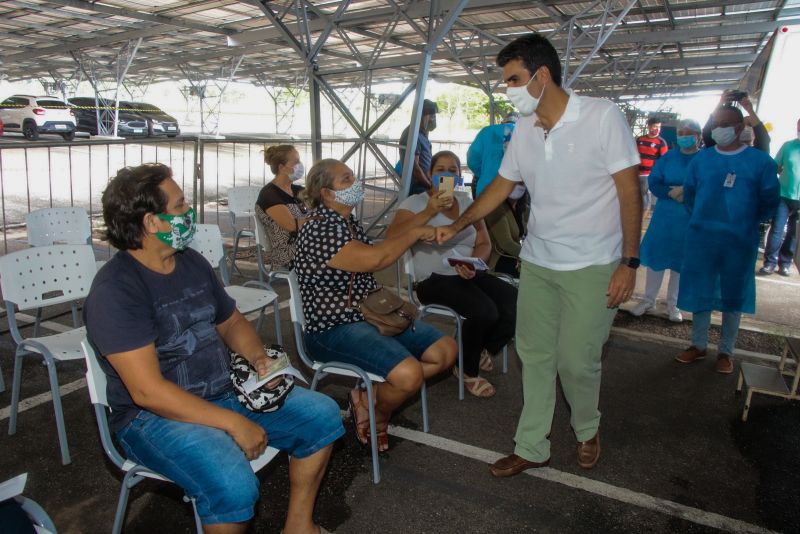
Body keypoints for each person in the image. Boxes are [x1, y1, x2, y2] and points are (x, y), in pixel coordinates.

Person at [84, 163, 344, 534]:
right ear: (151, 223)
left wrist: (258, 360)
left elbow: (231, 321)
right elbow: (147, 392)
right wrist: (234, 422)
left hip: (222, 392)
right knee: (233, 484)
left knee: (322, 415)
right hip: (152, 418)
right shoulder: (116, 291)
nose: (189, 210)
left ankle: (299, 527)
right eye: (180, 205)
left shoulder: (190, 262)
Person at [436, 33, 642, 475]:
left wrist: (630, 262)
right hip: (540, 263)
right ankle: (532, 446)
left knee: (576, 360)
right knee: (534, 355)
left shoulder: (602, 117)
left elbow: (629, 190)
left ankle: (587, 428)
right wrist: (457, 223)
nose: (507, 89)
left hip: (593, 264)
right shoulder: (525, 130)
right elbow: (500, 187)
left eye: (513, 79)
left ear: (542, 76)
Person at [294, 159, 457, 452]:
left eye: (353, 176)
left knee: (445, 352)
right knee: (409, 375)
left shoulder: (346, 221)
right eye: (346, 180)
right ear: (328, 194)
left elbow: (388, 243)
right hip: (334, 326)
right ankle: (378, 414)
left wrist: (429, 211)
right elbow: (375, 259)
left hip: (371, 313)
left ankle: (369, 396)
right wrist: (417, 232)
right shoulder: (318, 228)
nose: (355, 183)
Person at [387, 151, 518, 398]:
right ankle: (467, 370)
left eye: (453, 170)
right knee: (484, 311)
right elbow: (391, 237)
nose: (447, 174)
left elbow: (484, 243)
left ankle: (481, 347)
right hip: (431, 279)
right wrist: (428, 211)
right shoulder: (413, 203)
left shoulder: (468, 203)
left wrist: (474, 263)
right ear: (429, 175)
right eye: (440, 170)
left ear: (459, 176)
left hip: (468, 273)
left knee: (514, 301)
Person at [675, 105, 779, 374]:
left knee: (733, 294)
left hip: (739, 241)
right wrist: (704, 219)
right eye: (716, 123)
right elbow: (690, 196)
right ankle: (698, 344)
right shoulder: (702, 159)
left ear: (740, 127)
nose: (719, 128)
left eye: (726, 123)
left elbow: (769, 201)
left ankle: (726, 350)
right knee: (701, 292)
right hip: (702, 238)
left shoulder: (759, 162)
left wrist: (747, 223)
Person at [629, 119, 703, 323]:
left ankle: (673, 304)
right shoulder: (669, 156)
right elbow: (654, 180)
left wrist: (688, 193)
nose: (684, 136)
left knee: (681, 262)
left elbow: (708, 185)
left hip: (689, 217)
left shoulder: (704, 159)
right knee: (656, 260)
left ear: (698, 135)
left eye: (689, 132)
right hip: (664, 216)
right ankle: (648, 299)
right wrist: (670, 192)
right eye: (681, 132)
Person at [255, 144, 309, 270]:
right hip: (288, 255)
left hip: (307, 246)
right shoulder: (269, 194)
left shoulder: (297, 190)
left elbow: (321, 203)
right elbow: (292, 225)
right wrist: (320, 220)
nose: (300, 165)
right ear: (282, 167)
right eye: (296, 162)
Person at [759, 118, 800, 276]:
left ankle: (785, 263)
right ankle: (770, 262)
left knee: (793, 232)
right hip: (783, 194)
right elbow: (775, 165)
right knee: (777, 229)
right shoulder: (789, 146)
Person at [467, 111, 520, 198]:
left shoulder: (486, 131)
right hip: (514, 192)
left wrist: (485, 173)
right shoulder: (524, 133)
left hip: (487, 190)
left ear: (503, 122)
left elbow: (472, 160)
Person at [703, 91, 771, 153]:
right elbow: (706, 132)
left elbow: (763, 140)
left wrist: (750, 110)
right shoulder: (710, 153)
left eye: (725, 124)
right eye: (715, 125)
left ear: (740, 127)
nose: (719, 128)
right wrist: (720, 103)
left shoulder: (754, 156)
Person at [485, 182, 529, 277]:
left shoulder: (521, 208)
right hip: (498, 258)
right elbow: (506, 243)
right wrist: (530, 256)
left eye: (521, 183)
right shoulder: (496, 208)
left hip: (516, 256)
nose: (518, 186)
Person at [398, 99, 438, 195]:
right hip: (417, 187)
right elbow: (414, 168)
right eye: (432, 116)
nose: (434, 119)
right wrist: (429, 185)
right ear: (422, 116)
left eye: (434, 116)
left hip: (423, 184)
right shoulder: (412, 134)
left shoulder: (422, 133)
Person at [636, 117, 669, 211]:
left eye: (659, 127)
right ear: (649, 127)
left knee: (644, 194)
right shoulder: (640, 140)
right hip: (637, 173)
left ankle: (644, 214)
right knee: (637, 194)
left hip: (649, 174)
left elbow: (664, 161)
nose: (658, 129)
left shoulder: (661, 142)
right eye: (655, 126)